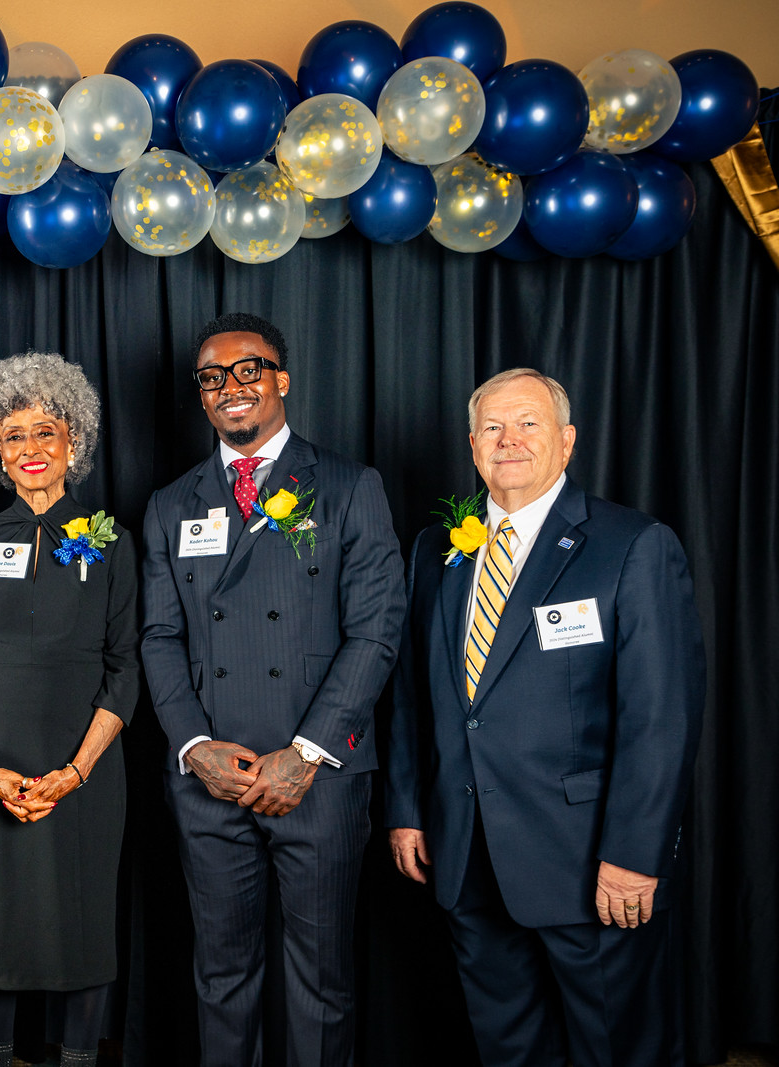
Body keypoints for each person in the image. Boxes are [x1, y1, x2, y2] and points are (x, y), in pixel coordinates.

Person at [385, 368, 705, 1067]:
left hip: (589, 862)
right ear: (472, 446)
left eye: (528, 423)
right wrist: (409, 806)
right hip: (466, 852)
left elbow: (661, 717)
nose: (510, 440)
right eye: (493, 427)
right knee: (508, 1045)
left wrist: (635, 854)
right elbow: (417, 690)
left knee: (616, 1048)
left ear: (566, 441)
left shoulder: (632, 545)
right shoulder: (435, 550)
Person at [140, 313, 405, 1067]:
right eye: (212, 378)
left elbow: (377, 630)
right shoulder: (171, 503)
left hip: (316, 778)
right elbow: (159, 637)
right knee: (222, 975)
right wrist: (194, 748)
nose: (231, 388)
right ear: (200, 396)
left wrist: (308, 752)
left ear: (281, 379)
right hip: (210, 779)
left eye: (249, 370)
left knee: (320, 979)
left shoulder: (351, 487)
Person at [0, 353, 139, 1067]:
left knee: (84, 922)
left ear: (73, 441)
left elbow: (124, 666)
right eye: (12, 435)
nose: (30, 449)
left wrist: (75, 772)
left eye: (44, 431)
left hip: (84, 771)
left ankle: (79, 1057)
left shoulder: (110, 543)